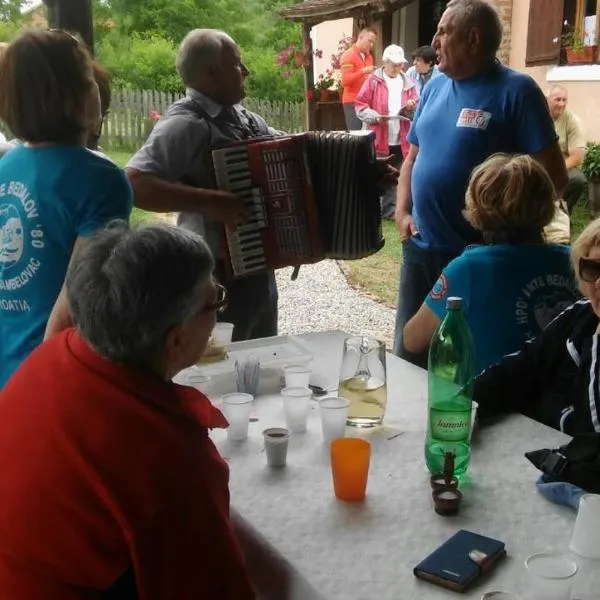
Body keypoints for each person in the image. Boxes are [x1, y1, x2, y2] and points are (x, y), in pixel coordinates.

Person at [0, 222, 256, 599]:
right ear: (176, 339)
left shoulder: (56, 352)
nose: (219, 306)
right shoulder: (170, 459)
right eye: (215, 300)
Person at [127, 28, 397, 343]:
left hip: (256, 263)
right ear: (211, 72)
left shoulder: (243, 119)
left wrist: (361, 173)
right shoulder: (185, 124)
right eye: (236, 64)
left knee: (263, 355)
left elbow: (304, 155)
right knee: (222, 365)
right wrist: (211, 202)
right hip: (211, 271)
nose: (246, 71)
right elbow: (134, 184)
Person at [393, 0, 568, 368]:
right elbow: (412, 157)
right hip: (421, 247)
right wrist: (402, 211)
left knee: (465, 360)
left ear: (472, 38)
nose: (435, 40)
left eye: (443, 31)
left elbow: (554, 178)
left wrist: (511, 232)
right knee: (408, 353)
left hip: (477, 258)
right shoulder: (434, 86)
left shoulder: (517, 91)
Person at [0, 29, 132, 388]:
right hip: (52, 375)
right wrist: (40, 388)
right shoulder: (101, 181)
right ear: (69, 98)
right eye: (89, 80)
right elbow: (78, 299)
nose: (99, 89)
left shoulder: (6, 167)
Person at [403, 153, 579, 374]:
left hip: (493, 402)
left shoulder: (468, 268)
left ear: (477, 209)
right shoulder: (574, 260)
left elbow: (412, 339)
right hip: (562, 400)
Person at [474, 217, 600, 436]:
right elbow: (522, 368)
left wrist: (547, 404)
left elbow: (591, 432)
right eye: (592, 269)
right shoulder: (581, 316)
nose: (598, 283)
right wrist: (461, 403)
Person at [355, 44, 418, 219]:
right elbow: (360, 106)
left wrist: (411, 107)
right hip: (379, 136)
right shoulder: (373, 81)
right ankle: (371, 208)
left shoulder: (408, 83)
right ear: (385, 63)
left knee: (397, 173)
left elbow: (416, 107)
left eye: (400, 64)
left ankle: (390, 210)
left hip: (401, 136)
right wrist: (374, 117)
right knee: (375, 173)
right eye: (395, 64)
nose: (398, 68)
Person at [546, 83, 587, 214]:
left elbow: (577, 156)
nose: (561, 104)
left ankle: (562, 214)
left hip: (562, 166)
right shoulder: (537, 115)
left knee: (578, 180)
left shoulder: (572, 121)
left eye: (564, 100)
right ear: (547, 100)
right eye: (557, 99)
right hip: (537, 163)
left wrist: (556, 170)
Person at [339, 27, 377, 130]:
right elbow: (345, 81)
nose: (371, 45)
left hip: (367, 102)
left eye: (373, 42)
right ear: (360, 37)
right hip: (352, 101)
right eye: (369, 41)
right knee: (356, 135)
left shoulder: (369, 57)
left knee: (369, 135)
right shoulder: (348, 55)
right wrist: (363, 71)